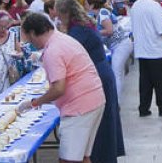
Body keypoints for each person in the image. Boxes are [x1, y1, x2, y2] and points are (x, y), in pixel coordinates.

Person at [18, 12, 106, 163]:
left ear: (33, 33)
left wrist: (35, 102)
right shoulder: (62, 39)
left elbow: (58, 89)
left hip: (79, 107)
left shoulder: (53, 50)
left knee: (68, 160)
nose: (31, 43)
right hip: (93, 99)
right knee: (83, 157)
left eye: (29, 39)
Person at [54, 0, 126, 163]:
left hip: (97, 76)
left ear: (65, 14)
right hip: (100, 73)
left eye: (58, 15)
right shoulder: (83, 24)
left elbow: (69, 57)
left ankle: (101, 158)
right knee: (103, 123)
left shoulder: (78, 30)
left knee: (100, 126)